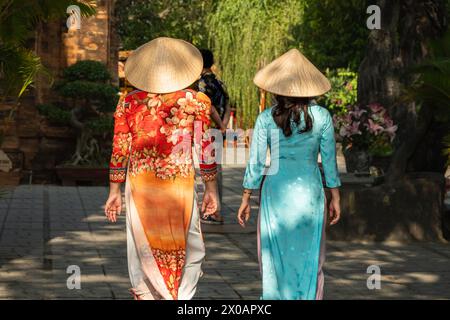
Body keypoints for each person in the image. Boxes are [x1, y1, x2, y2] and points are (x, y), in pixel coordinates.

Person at [104, 37, 218, 300]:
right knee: (189, 247)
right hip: (180, 185)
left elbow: (120, 148)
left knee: (141, 246)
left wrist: (113, 192)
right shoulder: (197, 101)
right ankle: (181, 298)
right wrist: (212, 189)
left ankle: (149, 295)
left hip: (140, 186)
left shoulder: (128, 103)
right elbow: (205, 148)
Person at [237, 49, 341, 300]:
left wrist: (246, 196)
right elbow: (328, 162)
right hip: (309, 193)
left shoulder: (266, 118)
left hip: (276, 192)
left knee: (275, 255)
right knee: (310, 255)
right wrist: (335, 196)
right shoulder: (322, 116)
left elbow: (257, 162)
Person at [196, 49, 231, 225]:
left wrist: (219, 124)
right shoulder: (220, 81)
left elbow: (208, 108)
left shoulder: (200, 84)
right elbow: (228, 104)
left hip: (207, 129)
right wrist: (224, 126)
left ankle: (212, 210)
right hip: (219, 131)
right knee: (217, 169)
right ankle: (217, 209)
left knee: (208, 171)